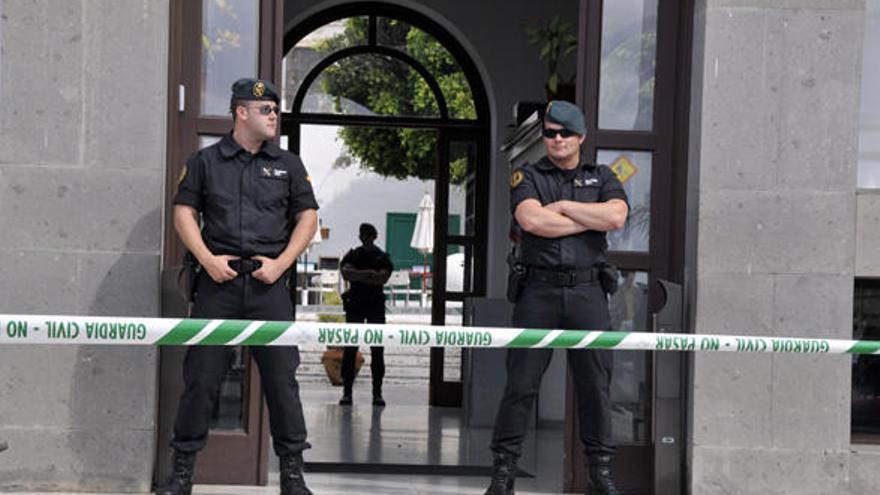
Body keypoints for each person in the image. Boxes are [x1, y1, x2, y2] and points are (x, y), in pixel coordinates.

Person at [156, 78, 318, 495]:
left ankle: (293, 475)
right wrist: (207, 260)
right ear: (240, 112)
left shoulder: (289, 164)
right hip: (218, 285)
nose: (273, 116)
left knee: (283, 381)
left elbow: (308, 218)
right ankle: (182, 473)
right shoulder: (206, 161)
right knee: (202, 379)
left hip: (269, 287)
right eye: (265, 109)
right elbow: (183, 212)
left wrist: (281, 263)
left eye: (275, 109)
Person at [485, 100, 629, 495]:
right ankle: (503, 473)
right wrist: (587, 219)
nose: (557, 139)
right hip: (539, 292)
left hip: (587, 291)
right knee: (520, 384)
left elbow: (616, 217)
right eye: (550, 133)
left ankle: (600, 474)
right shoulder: (527, 175)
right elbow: (531, 220)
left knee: (595, 386)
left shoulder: (602, 175)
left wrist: (565, 207)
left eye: (565, 132)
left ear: (580, 136)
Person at [338, 222, 393, 406]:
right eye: (363, 233)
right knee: (351, 349)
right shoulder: (355, 254)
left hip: (373, 305)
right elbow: (347, 274)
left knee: (377, 350)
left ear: (373, 236)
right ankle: (348, 392)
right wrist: (370, 274)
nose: (365, 237)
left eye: (367, 234)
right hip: (357, 304)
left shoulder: (381, 256)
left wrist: (359, 274)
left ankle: (377, 392)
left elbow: (382, 278)